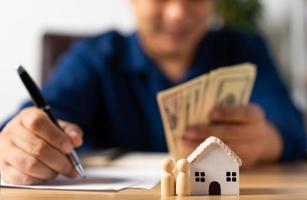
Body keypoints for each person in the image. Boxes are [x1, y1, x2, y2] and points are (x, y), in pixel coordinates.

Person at [0, 0, 305, 185]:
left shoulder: (245, 48)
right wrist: (20, 140)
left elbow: (291, 125)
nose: (176, 13)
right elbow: (39, 116)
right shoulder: (93, 59)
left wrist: (267, 139)